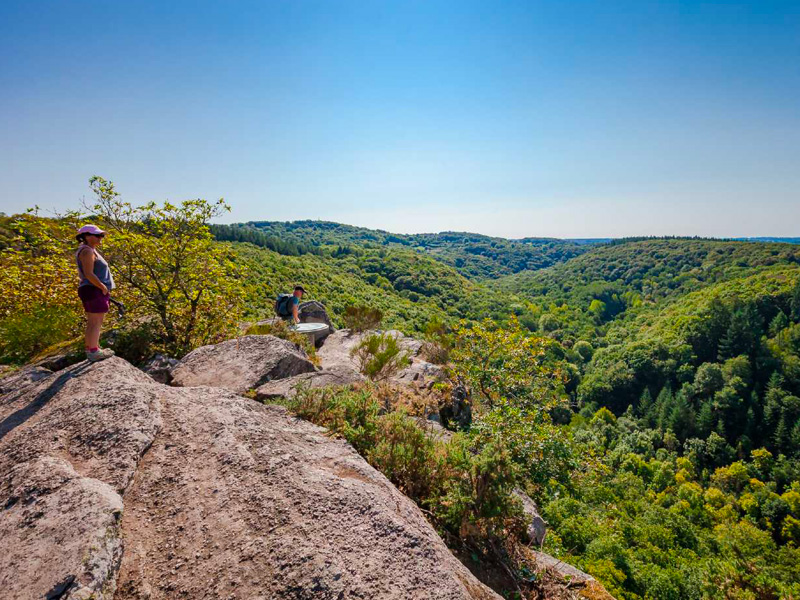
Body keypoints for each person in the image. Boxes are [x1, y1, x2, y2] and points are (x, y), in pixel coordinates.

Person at [75, 225, 116, 362]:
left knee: (94, 321)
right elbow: (89, 273)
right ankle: (93, 351)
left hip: (92, 289)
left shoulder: (90, 250)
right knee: (95, 321)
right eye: (97, 235)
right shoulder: (87, 251)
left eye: (101, 235)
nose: (100, 238)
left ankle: (92, 348)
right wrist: (102, 286)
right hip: (93, 289)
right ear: (86, 236)